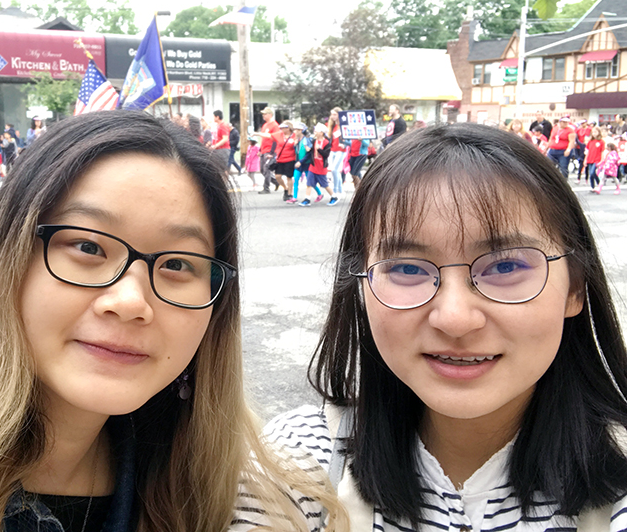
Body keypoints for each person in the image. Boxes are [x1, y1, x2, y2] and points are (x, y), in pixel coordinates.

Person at [0, 111, 344, 532]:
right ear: (6, 259)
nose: (129, 301)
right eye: (88, 246)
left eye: (178, 264)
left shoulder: (222, 499)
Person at [268, 123, 626, 531]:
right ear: (361, 287)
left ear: (575, 289)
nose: (455, 318)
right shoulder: (300, 460)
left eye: (505, 266)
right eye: (405, 268)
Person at [298, 123, 337, 206]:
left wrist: (319, 149)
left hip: (321, 167)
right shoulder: (314, 141)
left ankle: (334, 196)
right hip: (313, 166)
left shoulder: (327, 143)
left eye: (316, 131)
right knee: (309, 183)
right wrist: (302, 160)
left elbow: (326, 154)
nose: (315, 132)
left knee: (325, 184)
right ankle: (307, 199)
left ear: (322, 132)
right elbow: (310, 152)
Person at [273, 121, 297, 202]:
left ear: (289, 128)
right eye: (281, 127)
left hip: (290, 159)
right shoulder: (280, 135)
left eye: (284, 127)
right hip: (280, 159)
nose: (282, 129)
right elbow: (269, 136)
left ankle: (290, 193)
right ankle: (285, 188)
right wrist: (256, 134)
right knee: (277, 176)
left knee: (289, 177)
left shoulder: (294, 136)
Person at [257, 107, 280, 194]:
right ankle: (275, 181)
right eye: (263, 114)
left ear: (270, 115)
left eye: (265, 114)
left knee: (267, 169)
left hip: (269, 150)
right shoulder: (265, 125)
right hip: (263, 150)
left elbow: (275, 139)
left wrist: (272, 153)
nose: (263, 116)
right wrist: (260, 149)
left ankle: (266, 188)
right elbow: (263, 139)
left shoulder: (275, 125)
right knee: (262, 170)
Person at [327, 108, 346, 196]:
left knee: (335, 169)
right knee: (334, 170)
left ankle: (336, 189)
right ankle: (340, 190)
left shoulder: (344, 125)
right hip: (333, 149)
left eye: (334, 114)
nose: (332, 116)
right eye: (332, 114)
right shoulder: (333, 126)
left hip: (340, 150)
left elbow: (348, 139)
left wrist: (344, 144)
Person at [585, 126, 605, 191]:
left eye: (595, 132)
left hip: (597, 159)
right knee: (590, 174)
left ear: (599, 133)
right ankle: (592, 186)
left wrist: (602, 160)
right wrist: (585, 160)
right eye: (593, 132)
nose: (594, 133)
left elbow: (602, 152)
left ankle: (599, 183)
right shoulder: (590, 141)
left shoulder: (601, 142)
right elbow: (587, 151)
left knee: (593, 172)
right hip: (590, 159)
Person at [210, 110, 231, 174]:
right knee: (218, 168)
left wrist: (215, 146)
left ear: (217, 117)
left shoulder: (223, 125)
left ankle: (224, 182)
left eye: (214, 116)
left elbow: (225, 139)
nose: (213, 118)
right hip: (217, 149)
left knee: (222, 168)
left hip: (223, 149)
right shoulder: (218, 125)